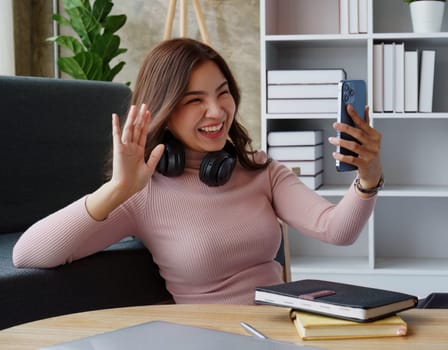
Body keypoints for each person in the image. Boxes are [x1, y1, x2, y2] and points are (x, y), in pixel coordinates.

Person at [12, 38, 383, 304]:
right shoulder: (141, 194)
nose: (217, 111)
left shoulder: (260, 169)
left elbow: (337, 230)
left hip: (281, 326)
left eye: (223, 93)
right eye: (195, 101)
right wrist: (118, 188)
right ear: (165, 112)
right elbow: (28, 254)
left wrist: (368, 178)